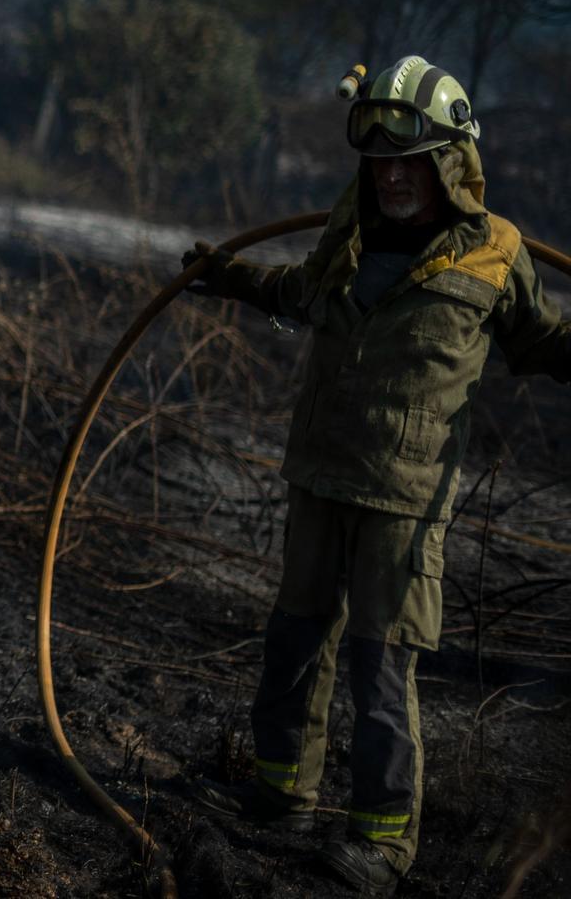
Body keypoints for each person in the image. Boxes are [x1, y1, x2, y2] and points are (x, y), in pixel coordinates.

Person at [186, 55, 571, 896]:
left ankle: (381, 842)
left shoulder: (495, 255)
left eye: (413, 159)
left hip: (404, 500)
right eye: (381, 160)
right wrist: (228, 278)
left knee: (381, 667)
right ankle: (280, 791)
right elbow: (301, 294)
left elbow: (541, 343)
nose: (393, 176)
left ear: (452, 162)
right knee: (292, 641)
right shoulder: (347, 231)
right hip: (319, 476)